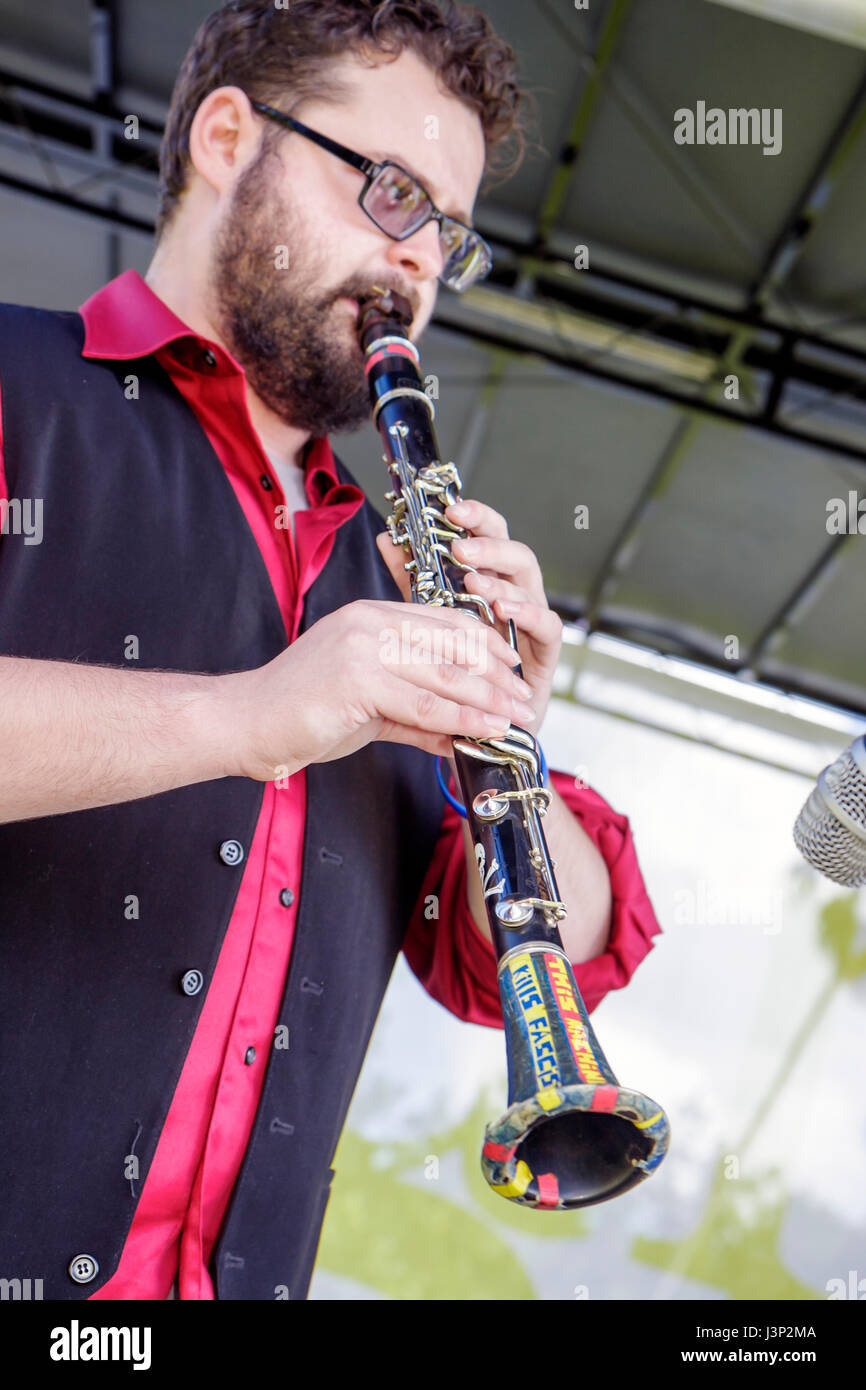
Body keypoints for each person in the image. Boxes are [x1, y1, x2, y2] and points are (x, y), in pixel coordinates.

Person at [0, 0, 662, 1302]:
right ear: (230, 136)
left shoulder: (391, 581)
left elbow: (555, 945)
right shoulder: (17, 387)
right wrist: (255, 714)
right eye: (393, 193)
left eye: (448, 237)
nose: (416, 263)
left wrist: (512, 721)